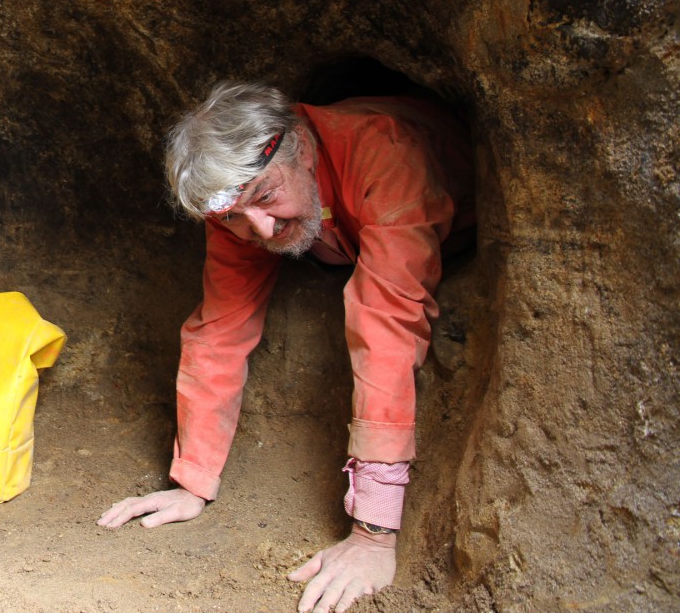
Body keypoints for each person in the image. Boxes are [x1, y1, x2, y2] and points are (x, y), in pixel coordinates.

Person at [98, 81, 475, 613]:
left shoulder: (386, 153)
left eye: (267, 198)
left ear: (300, 142)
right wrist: (192, 481)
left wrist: (374, 535)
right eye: (232, 218)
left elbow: (386, 323)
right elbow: (220, 328)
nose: (261, 230)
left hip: (452, 220)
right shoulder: (243, 207)